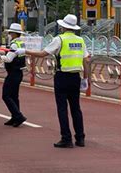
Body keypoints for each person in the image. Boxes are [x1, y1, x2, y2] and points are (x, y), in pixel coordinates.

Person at [26, 14, 90, 148]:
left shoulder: (59, 39)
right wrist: (86, 78)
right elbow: (87, 59)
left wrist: (26, 51)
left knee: (62, 108)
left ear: (63, 26)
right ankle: (80, 138)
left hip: (62, 76)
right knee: (76, 108)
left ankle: (66, 138)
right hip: (76, 77)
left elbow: (43, 53)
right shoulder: (80, 40)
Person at [0, 23, 27, 127]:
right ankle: (15, 117)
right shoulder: (21, 43)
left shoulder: (14, 44)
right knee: (14, 96)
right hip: (18, 72)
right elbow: (10, 54)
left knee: (6, 95)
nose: (9, 34)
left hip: (13, 73)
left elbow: (8, 59)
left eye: (11, 32)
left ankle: (18, 116)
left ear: (15, 33)